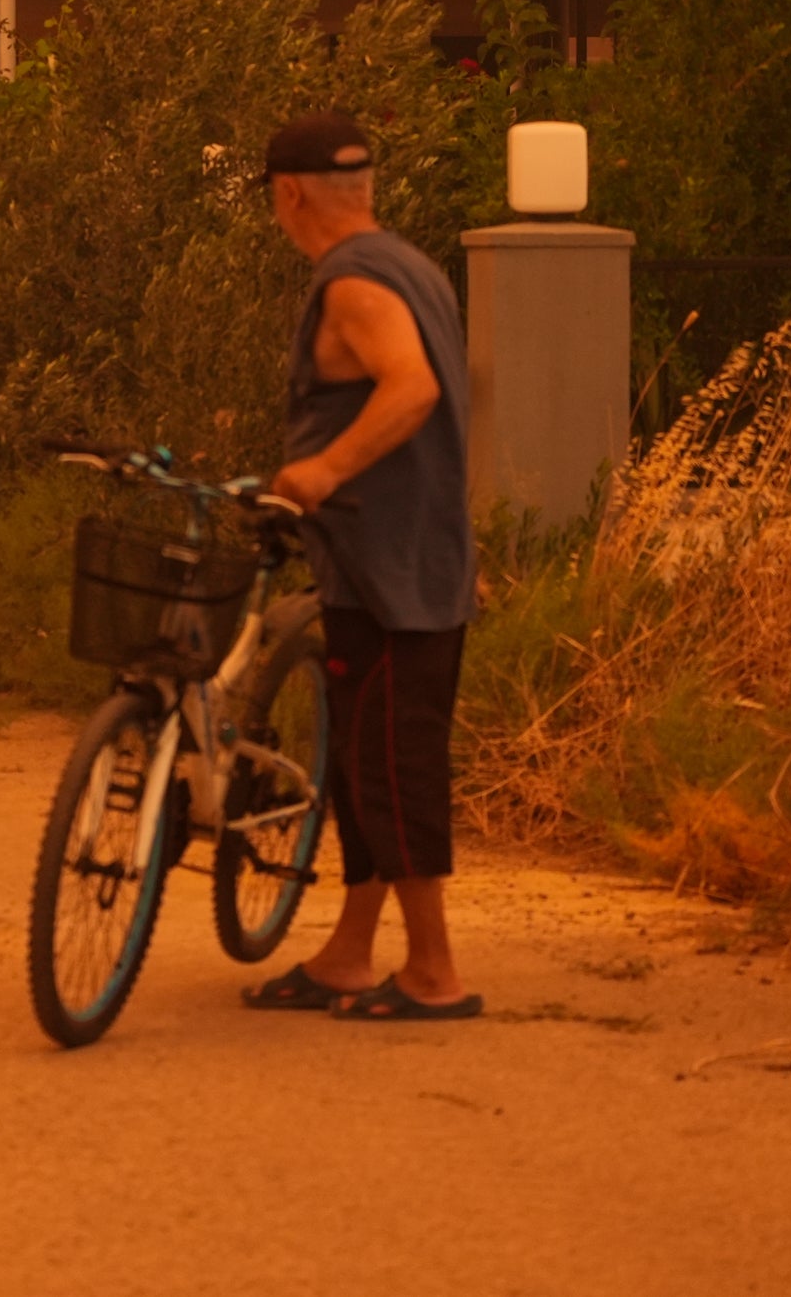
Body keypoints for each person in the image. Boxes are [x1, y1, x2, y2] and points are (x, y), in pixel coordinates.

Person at [243, 113, 483, 1022]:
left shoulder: (350, 282)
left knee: (390, 770)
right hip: (401, 557)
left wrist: (322, 470)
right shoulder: (411, 266)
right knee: (362, 764)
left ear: (287, 194)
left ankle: (433, 973)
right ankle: (348, 953)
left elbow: (413, 388)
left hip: (392, 574)